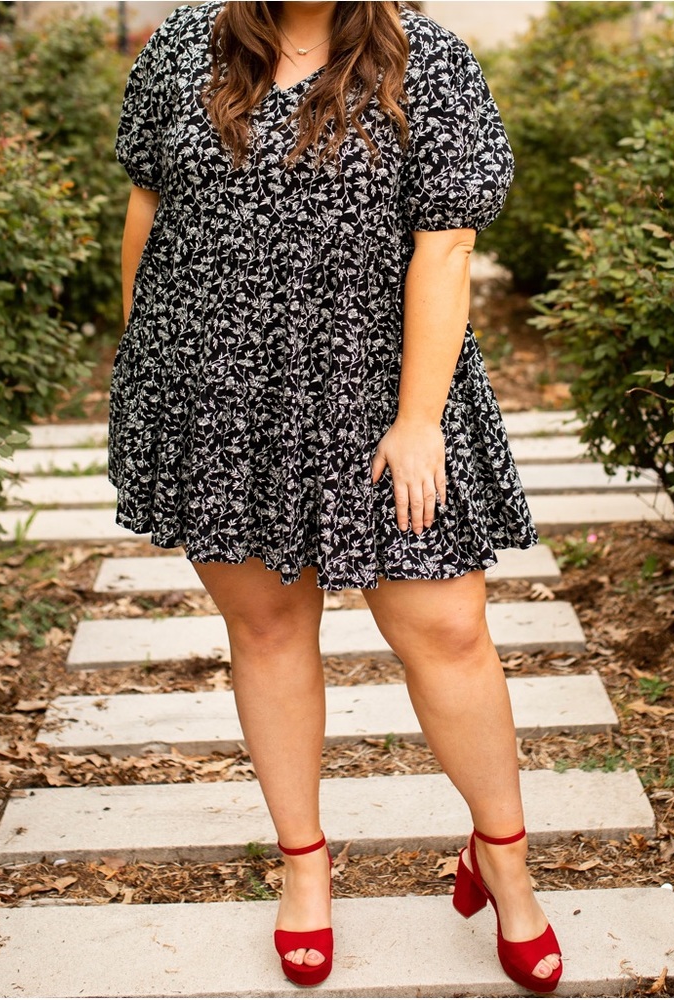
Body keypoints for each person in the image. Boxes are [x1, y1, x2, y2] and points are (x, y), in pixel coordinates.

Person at [112, 0, 562, 991]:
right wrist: (150, 365)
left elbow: (444, 248)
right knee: (268, 631)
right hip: (222, 396)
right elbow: (147, 207)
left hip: (384, 392)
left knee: (446, 627)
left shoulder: (425, 57)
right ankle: (304, 869)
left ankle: (504, 859)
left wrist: (415, 421)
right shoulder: (185, 45)